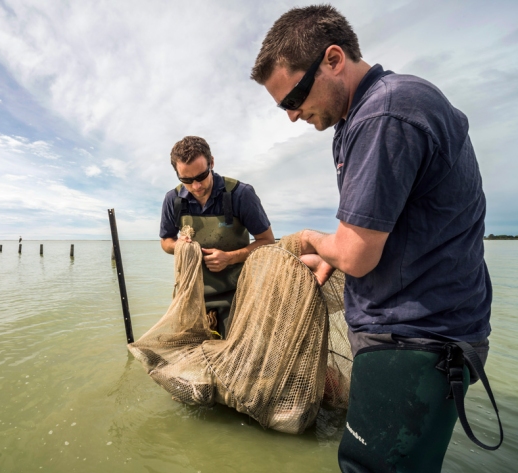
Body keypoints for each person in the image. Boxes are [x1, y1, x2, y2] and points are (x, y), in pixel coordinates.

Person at [251, 5, 494, 472]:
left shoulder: (384, 114)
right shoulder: (377, 110)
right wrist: (335, 257)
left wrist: (311, 239)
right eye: (283, 106)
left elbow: (358, 254)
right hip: (422, 335)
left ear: (334, 59)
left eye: (293, 98)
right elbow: (389, 229)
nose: (292, 115)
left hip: (416, 341)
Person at [160, 136, 275, 338]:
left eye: (202, 176)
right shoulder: (173, 200)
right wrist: (180, 246)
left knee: (237, 356)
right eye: (186, 180)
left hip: (238, 294)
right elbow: (166, 242)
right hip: (191, 297)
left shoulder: (241, 194)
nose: (196, 186)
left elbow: (267, 241)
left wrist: (230, 258)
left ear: (211, 163)